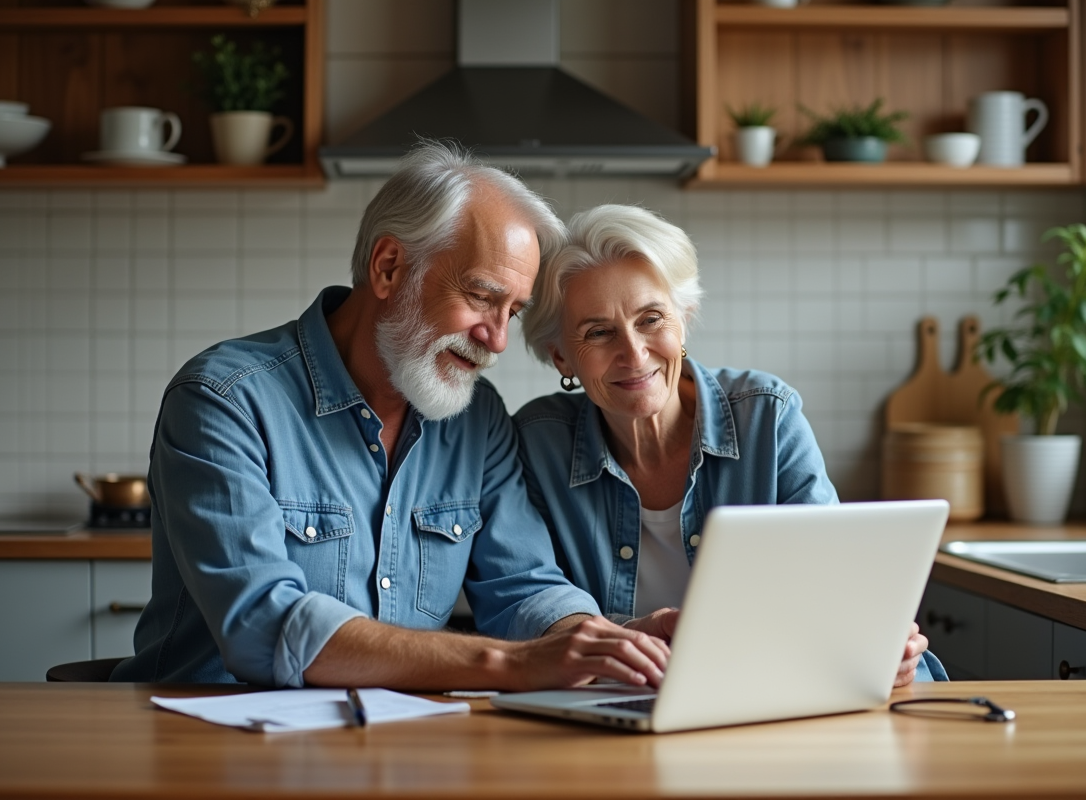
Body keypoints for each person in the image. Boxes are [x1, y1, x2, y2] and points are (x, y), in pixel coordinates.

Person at [111, 144, 670, 690]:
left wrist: (601, 640)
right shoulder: (224, 399)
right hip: (212, 754)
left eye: (513, 312)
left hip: (398, 750)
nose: (496, 340)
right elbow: (264, 624)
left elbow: (523, 587)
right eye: (480, 297)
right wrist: (512, 664)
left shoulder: (479, 422)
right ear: (388, 267)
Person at [514, 204, 947, 686]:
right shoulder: (537, 443)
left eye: (651, 319)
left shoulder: (767, 415)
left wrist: (879, 645)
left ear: (684, 322)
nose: (634, 353)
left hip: (778, 689)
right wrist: (620, 639)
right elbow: (527, 592)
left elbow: (832, 580)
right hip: (612, 702)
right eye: (599, 332)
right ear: (561, 357)